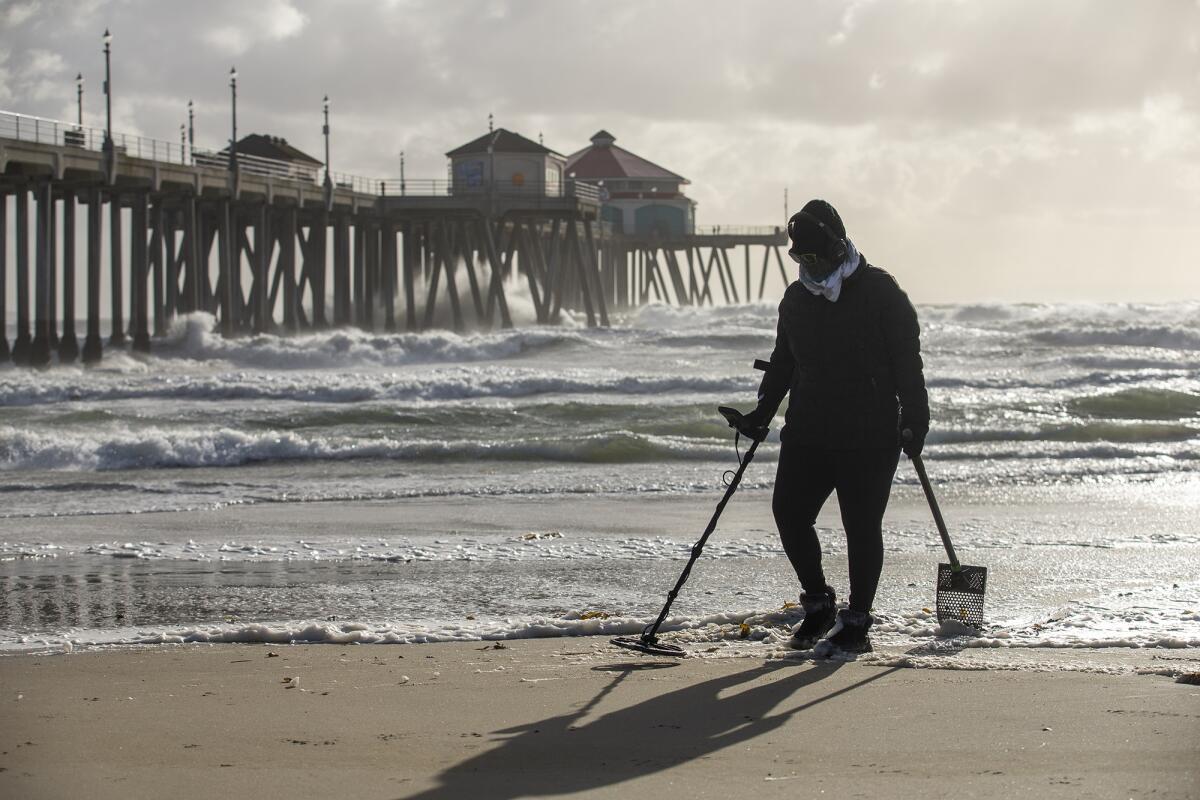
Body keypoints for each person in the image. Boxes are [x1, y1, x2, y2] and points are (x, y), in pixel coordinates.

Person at [733, 199, 929, 656]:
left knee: (860, 526)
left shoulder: (882, 292)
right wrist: (760, 414)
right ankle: (819, 603)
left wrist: (915, 418)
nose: (810, 267)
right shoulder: (796, 299)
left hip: (869, 432)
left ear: (839, 248)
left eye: (817, 258)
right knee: (789, 513)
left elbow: (907, 361)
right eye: (801, 259)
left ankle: (858, 619)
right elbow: (783, 364)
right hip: (808, 428)